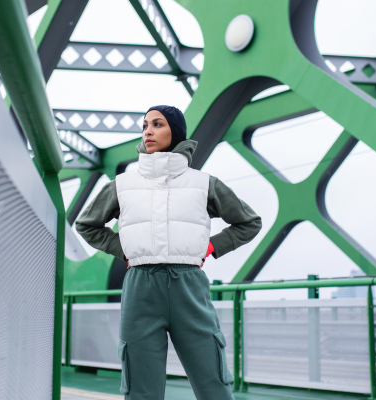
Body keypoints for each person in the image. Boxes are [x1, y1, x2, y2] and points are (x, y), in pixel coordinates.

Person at [76, 105, 262, 400]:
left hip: (188, 285)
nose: (147, 131)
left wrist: (212, 246)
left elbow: (249, 222)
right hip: (140, 287)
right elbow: (87, 225)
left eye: (157, 124)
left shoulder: (204, 184)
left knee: (213, 381)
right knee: (140, 388)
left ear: (175, 131)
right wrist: (124, 248)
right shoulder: (123, 185)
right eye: (144, 125)